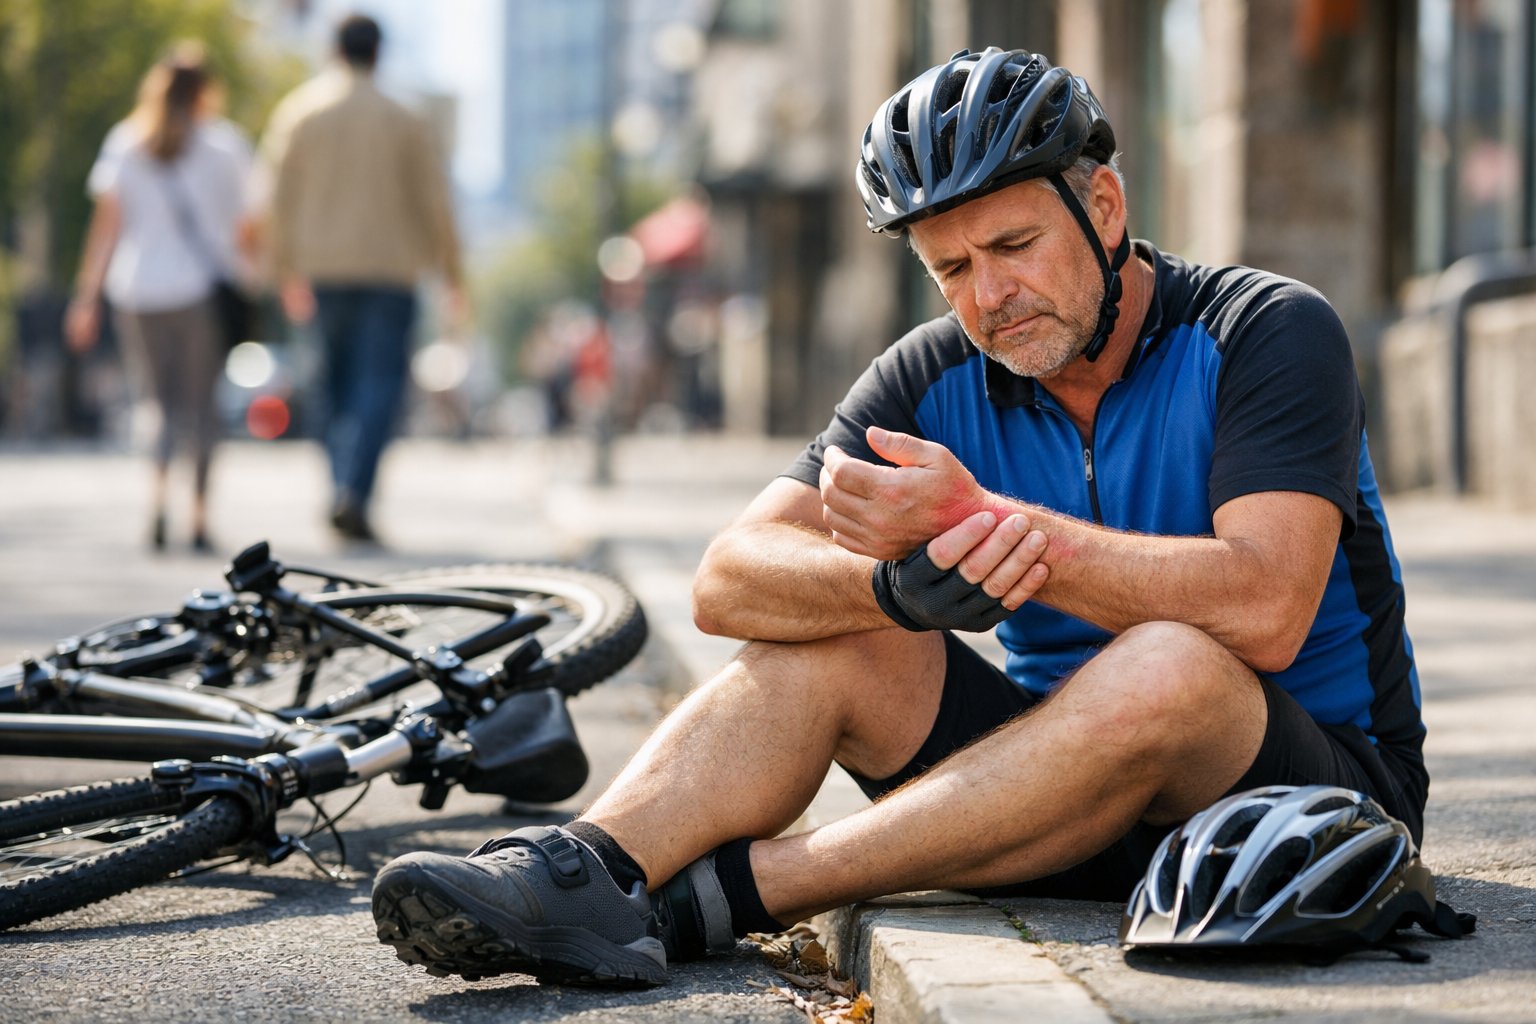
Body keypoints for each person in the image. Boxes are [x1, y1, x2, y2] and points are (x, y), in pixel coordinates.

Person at [370, 48, 1430, 988]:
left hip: (1304, 802)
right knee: (840, 636)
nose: (989, 296)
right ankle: (590, 871)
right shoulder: (934, 375)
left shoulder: (1266, 332)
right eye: (952, 269)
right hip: (1048, 802)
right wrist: (888, 587)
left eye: (1014, 244)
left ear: (1103, 207)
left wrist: (992, 531)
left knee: (1172, 663)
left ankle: (743, 891)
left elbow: (1266, 604)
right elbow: (726, 580)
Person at [255, 12, 465, 543]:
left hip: (322, 270)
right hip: (392, 273)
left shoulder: (300, 112)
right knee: (379, 387)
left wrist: (281, 270)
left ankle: (339, 485)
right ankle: (356, 490)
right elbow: (435, 202)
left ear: (334, 50)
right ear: (378, 53)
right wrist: (453, 273)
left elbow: (274, 198)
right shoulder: (405, 117)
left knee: (330, 386)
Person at [65, 41, 253, 552]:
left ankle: (156, 505)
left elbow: (105, 231)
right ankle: (197, 517)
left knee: (157, 403)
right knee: (201, 408)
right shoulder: (224, 146)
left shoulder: (126, 143)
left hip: (138, 291)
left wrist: (86, 298)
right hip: (199, 293)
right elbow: (248, 225)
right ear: (207, 92)